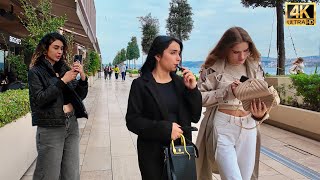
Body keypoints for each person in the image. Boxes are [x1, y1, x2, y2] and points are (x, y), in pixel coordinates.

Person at [196, 27, 269, 180]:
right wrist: (227, 92)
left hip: (249, 125)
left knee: (245, 176)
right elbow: (198, 98)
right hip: (223, 127)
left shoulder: (255, 67)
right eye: (236, 52)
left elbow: (264, 95)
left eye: (246, 50)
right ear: (225, 49)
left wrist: (260, 114)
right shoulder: (212, 68)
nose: (242, 56)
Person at [125, 35, 202, 180]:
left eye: (179, 53)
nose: (178, 58)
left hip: (181, 151)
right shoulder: (141, 84)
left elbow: (195, 116)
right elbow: (132, 121)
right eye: (173, 53)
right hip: (153, 155)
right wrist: (165, 129)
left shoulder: (181, 83)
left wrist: (193, 90)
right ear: (158, 56)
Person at [28, 32, 88, 180]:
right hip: (51, 127)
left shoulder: (64, 68)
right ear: (45, 48)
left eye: (62, 48)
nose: (60, 52)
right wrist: (62, 81)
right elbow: (39, 99)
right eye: (55, 47)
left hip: (71, 123)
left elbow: (79, 96)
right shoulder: (35, 71)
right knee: (49, 174)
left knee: (71, 172)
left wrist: (83, 77)